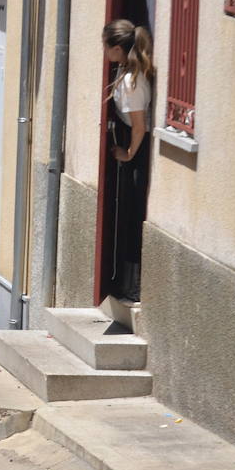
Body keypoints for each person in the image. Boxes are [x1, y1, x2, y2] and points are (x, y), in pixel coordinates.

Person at [102, 18, 155, 305]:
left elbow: (139, 126)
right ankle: (126, 282)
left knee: (133, 218)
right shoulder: (126, 71)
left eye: (106, 46)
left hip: (138, 149)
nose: (104, 52)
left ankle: (133, 286)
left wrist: (129, 154)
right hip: (133, 144)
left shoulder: (131, 83)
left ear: (117, 49)